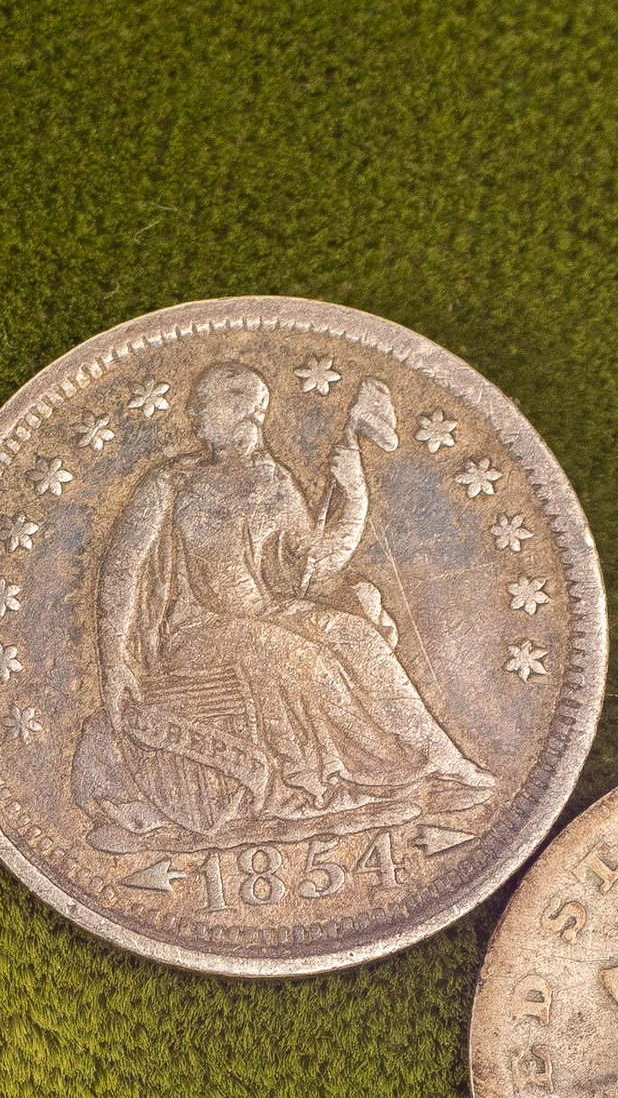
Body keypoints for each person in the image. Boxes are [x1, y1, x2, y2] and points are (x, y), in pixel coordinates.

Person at [71, 360, 493, 852]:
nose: (192, 413)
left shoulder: (275, 483)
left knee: (355, 634)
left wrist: (354, 492)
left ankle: (438, 759)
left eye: (204, 403)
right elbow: (120, 570)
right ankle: (360, 775)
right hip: (191, 632)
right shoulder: (171, 483)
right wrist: (113, 664)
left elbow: (318, 565)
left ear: (245, 412)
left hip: (265, 611)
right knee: (299, 656)